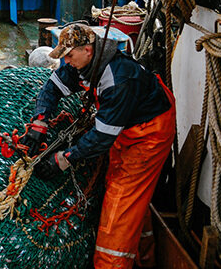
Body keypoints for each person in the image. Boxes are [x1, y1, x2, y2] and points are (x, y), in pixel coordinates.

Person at [25, 23, 175, 269]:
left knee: (120, 201)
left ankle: (111, 263)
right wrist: (40, 121)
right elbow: (51, 88)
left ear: (88, 50)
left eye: (70, 56)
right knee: (128, 193)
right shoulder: (81, 65)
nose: (67, 62)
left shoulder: (119, 79)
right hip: (125, 126)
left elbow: (102, 138)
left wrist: (62, 160)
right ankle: (144, 259)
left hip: (149, 132)